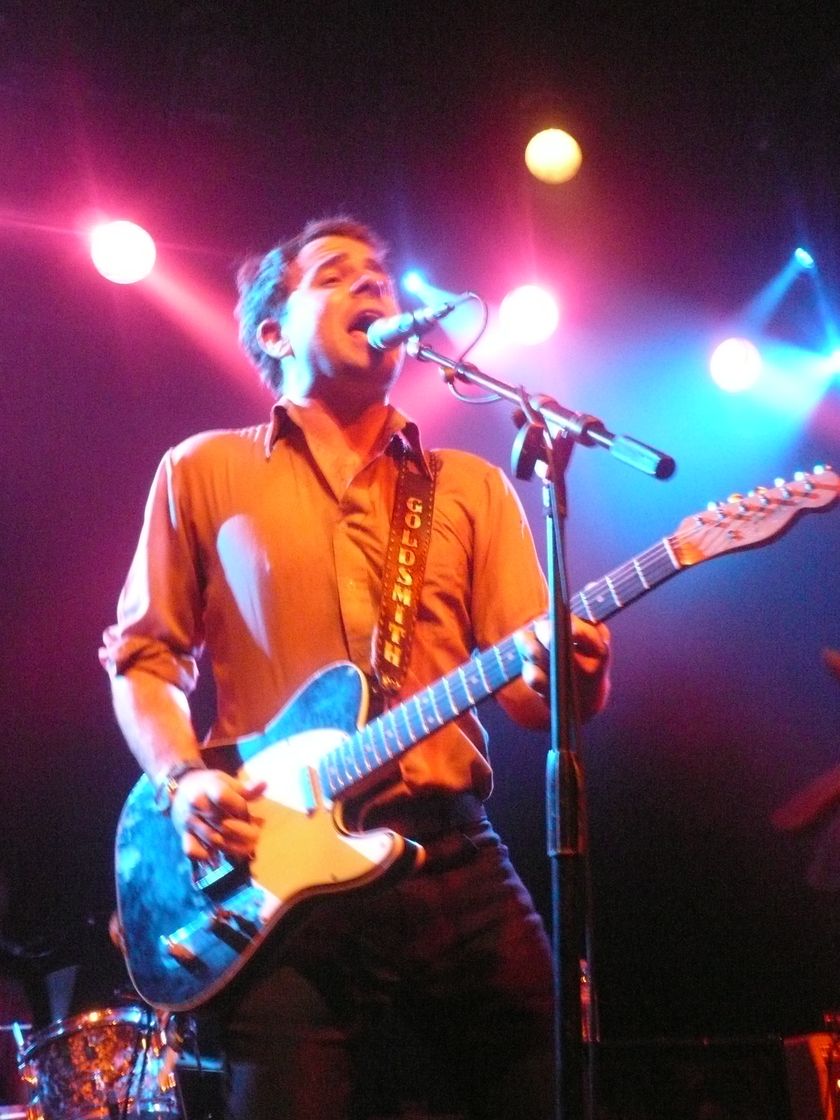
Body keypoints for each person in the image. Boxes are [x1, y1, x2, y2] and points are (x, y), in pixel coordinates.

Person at [100, 215, 611, 1120]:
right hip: (275, 881)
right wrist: (182, 781)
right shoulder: (201, 471)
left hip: (451, 860)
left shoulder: (470, 487)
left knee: (556, 1091)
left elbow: (536, 702)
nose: (373, 285)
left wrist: (580, 673)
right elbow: (144, 660)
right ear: (273, 332)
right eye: (336, 275)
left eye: (379, 274)